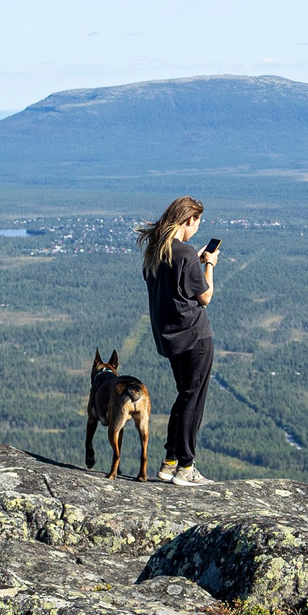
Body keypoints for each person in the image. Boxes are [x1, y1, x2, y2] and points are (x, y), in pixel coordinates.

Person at [138, 195, 220, 485]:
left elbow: (174, 286)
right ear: (189, 220)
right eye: (197, 221)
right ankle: (185, 467)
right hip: (195, 336)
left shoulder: (157, 250)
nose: (197, 227)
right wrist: (209, 264)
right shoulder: (184, 253)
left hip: (171, 339)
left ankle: (169, 462)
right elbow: (205, 297)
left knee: (184, 395)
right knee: (193, 399)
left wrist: (194, 263)